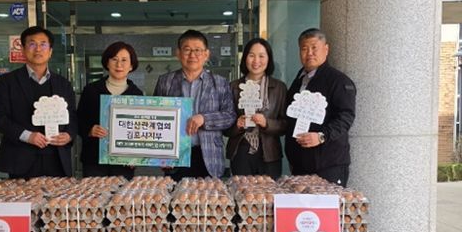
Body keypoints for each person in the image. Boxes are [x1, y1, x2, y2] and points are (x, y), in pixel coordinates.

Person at [0, 26, 77, 178]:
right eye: (32, 44)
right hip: (20, 157)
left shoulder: (63, 84)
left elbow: (73, 117)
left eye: (43, 44)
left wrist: (69, 135)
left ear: (50, 51)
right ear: (23, 50)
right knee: (21, 194)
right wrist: (27, 135)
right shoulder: (8, 81)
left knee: (58, 194)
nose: (38, 49)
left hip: (57, 158)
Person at [153, 29, 235, 180]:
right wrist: (162, 155)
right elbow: (156, 119)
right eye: (187, 50)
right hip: (175, 155)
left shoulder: (220, 82)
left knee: (210, 195)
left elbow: (229, 116)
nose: (192, 55)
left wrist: (204, 119)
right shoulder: (165, 81)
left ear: (206, 54)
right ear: (178, 53)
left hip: (209, 155)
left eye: (197, 50)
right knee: (175, 194)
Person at [285, 28, 356, 186]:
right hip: (300, 163)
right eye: (304, 48)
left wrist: (321, 136)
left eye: (314, 48)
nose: (309, 53)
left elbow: (345, 117)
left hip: (328, 164)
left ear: (326, 49)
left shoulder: (338, 81)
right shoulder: (299, 81)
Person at [77, 42, 143, 179]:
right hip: (94, 159)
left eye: (124, 60)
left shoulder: (137, 95)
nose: (119, 65)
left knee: (122, 193)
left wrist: (136, 156)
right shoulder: (91, 90)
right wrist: (90, 130)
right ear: (107, 63)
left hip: (124, 162)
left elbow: (141, 130)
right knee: (93, 193)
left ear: (131, 65)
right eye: (114, 59)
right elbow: (78, 120)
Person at [224, 38, 287, 179]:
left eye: (261, 56)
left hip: (269, 153)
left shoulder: (279, 88)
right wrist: (237, 125)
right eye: (251, 55)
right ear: (245, 58)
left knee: (268, 191)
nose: (256, 61)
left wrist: (267, 123)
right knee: (242, 190)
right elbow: (225, 127)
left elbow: (286, 125)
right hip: (240, 151)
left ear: (269, 59)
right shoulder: (233, 87)